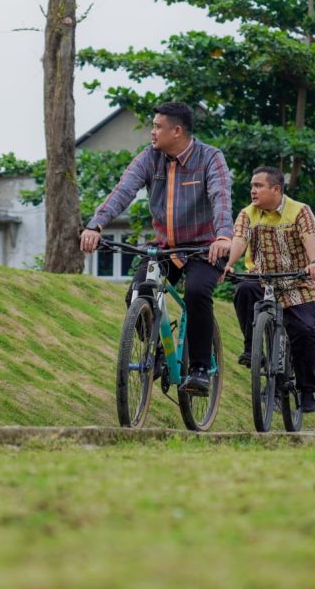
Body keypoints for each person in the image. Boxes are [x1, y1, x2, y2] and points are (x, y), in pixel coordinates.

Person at [79, 102, 233, 395]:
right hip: (164, 248)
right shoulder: (150, 158)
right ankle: (159, 353)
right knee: (138, 292)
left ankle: (200, 369)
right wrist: (96, 224)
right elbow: (123, 191)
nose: (152, 132)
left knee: (197, 292)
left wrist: (223, 237)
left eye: (157, 126)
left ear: (176, 131)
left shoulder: (210, 158)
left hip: (204, 249)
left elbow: (220, 198)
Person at [224, 167, 315, 413]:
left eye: (258, 185)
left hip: (297, 282)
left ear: (276, 189)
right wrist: (228, 264)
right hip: (262, 280)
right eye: (252, 185)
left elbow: (310, 238)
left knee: (305, 332)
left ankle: (307, 389)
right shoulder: (248, 214)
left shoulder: (299, 211)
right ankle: (252, 348)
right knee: (244, 289)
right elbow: (239, 239)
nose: (253, 190)